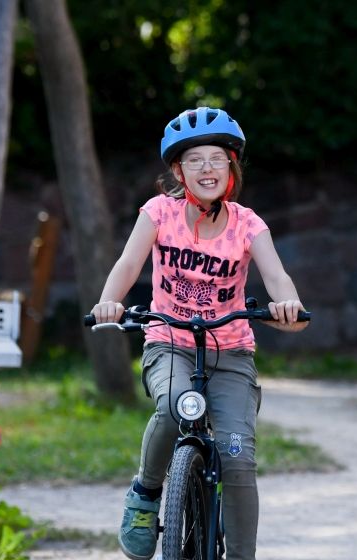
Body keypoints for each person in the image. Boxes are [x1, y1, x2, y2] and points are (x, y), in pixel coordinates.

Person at [91, 107, 308, 560]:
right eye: (195, 160)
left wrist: (287, 304)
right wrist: (109, 300)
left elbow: (277, 277)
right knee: (172, 408)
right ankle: (146, 495)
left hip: (230, 352)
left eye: (217, 158)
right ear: (177, 170)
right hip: (168, 342)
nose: (207, 168)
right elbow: (129, 264)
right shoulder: (158, 214)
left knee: (238, 457)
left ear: (232, 167)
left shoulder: (249, 225)